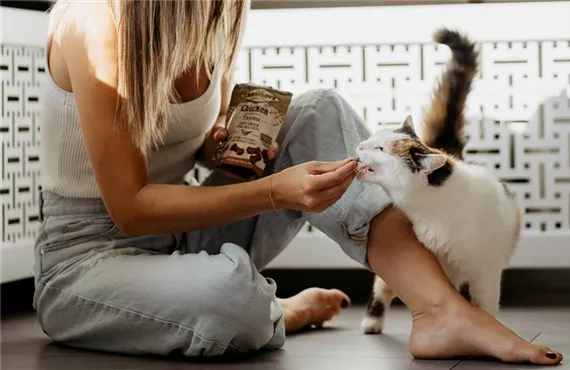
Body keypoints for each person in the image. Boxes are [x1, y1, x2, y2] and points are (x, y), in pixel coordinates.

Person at [33, 0, 562, 364]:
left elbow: (196, 142)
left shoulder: (210, 12)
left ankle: (441, 312)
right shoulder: (97, 21)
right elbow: (131, 207)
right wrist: (274, 190)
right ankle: (273, 308)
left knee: (318, 113)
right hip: (88, 261)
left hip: (183, 231)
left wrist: (231, 147)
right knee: (226, 299)